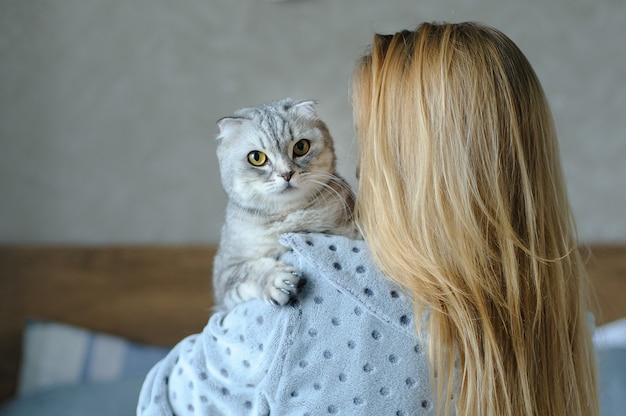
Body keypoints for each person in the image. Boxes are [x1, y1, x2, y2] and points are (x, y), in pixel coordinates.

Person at [137, 22, 599, 416]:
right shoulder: (562, 315)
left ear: (403, 162)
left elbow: (161, 401)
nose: (356, 168)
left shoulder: (305, 293)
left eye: (368, 140)